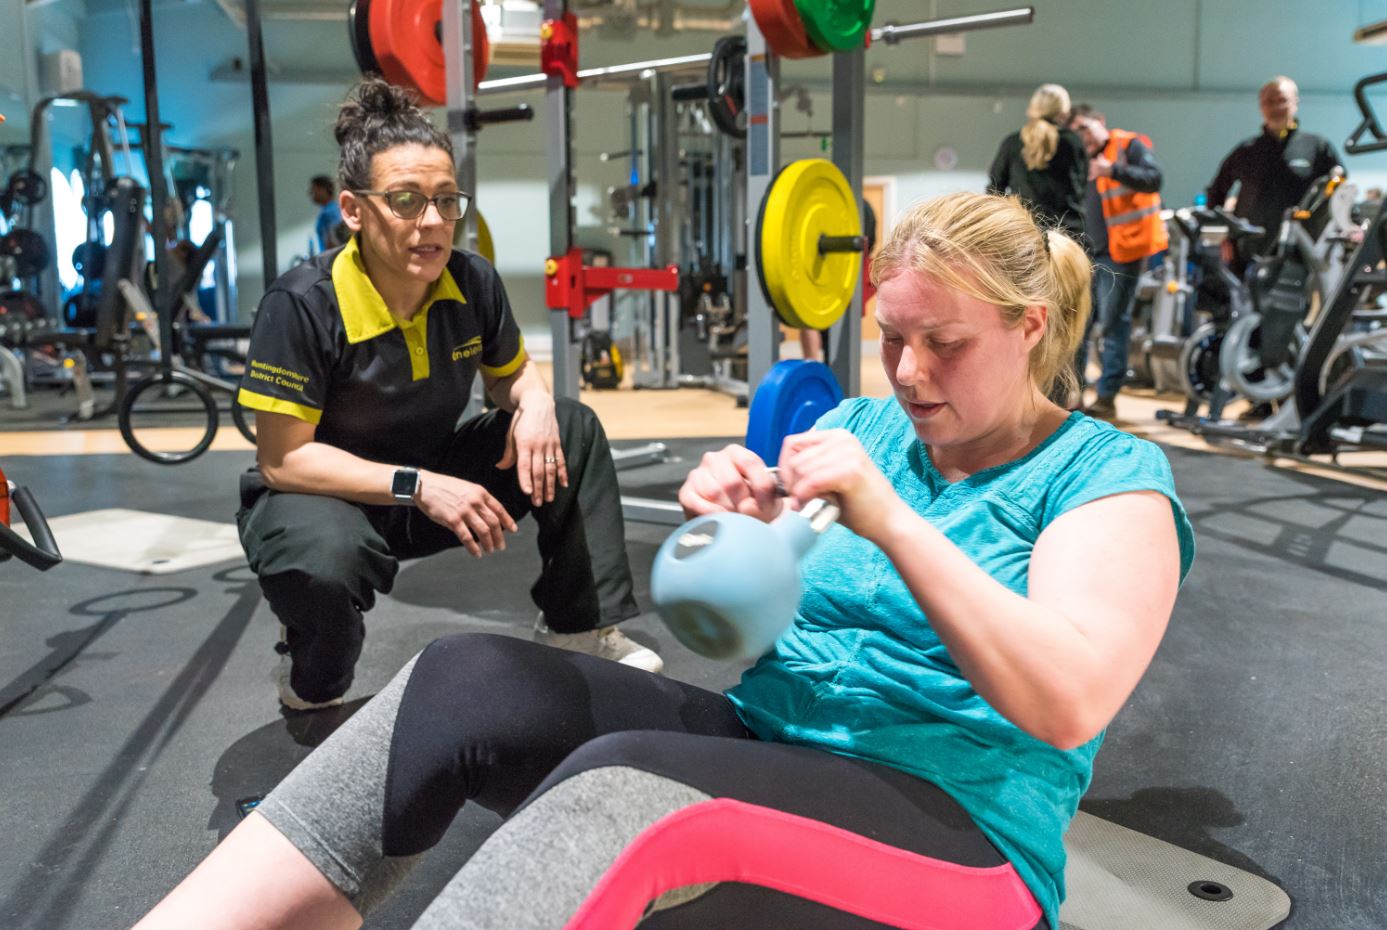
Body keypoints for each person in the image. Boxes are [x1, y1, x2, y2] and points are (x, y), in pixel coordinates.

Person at [134, 192, 1193, 930]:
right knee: (467, 680)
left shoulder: (1105, 477)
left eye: (944, 344)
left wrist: (896, 527)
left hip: (963, 837)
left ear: (1031, 325)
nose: (908, 373)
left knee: (620, 788)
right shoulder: (870, 433)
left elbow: (1067, 701)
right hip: (777, 750)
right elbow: (749, 630)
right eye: (890, 337)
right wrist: (739, 532)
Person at [235, 77, 661, 712]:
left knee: (570, 424)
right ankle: (309, 664)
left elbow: (511, 374)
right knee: (324, 576)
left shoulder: (471, 281)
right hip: (322, 500)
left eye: (444, 201)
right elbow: (282, 461)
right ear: (353, 211)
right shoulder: (300, 304)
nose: (432, 222)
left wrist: (537, 401)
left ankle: (579, 623)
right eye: (406, 201)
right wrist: (420, 485)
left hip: (432, 484)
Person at [1067, 103, 1167, 420]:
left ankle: (1107, 396)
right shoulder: (1080, 159)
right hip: (1088, 254)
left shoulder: (1128, 146)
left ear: (1100, 121)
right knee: (1080, 326)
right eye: (1076, 132)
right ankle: (1075, 394)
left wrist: (1112, 170)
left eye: (1085, 127)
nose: (1082, 137)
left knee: (1112, 323)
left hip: (1123, 253)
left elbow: (1154, 178)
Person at [1207, 76, 1341, 275]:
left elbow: (1340, 191)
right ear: (1261, 106)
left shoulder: (1318, 147)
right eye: (1269, 102)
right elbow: (1216, 193)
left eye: (1282, 100)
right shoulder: (1246, 151)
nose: (1276, 107)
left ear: (1296, 102)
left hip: (1302, 252)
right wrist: (1222, 235)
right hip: (1249, 252)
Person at [988, 83, 1089, 245]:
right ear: (1064, 109)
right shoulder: (1071, 142)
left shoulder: (1012, 143)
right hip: (1066, 234)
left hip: (1023, 232)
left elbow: (994, 188)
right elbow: (1081, 187)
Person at [310, 174, 346, 253]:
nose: (311, 194)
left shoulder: (330, 212)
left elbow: (335, 239)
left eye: (314, 190)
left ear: (323, 189)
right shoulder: (328, 210)